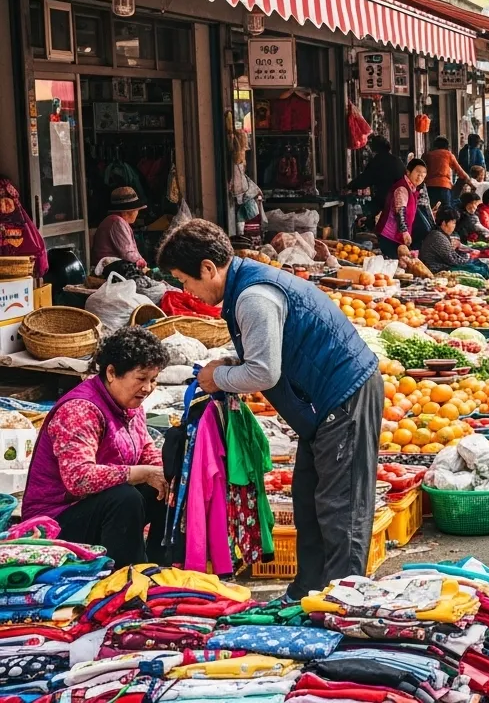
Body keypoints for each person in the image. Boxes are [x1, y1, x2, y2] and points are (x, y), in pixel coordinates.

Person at [158, 220, 380, 600]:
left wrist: (221, 377)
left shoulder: (253, 297)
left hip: (344, 397)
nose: (186, 290)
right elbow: (266, 355)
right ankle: (307, 593)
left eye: (185, 280)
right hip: (323, 404)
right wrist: (229, 363)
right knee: (310, 502)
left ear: (209, 268)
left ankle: (346, 603)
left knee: (341, 510)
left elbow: (263, 371)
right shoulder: (247, 288)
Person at [22, 327, 169, 567]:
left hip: (93, 504)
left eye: (153, 380)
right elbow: (78, 479)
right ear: (111, 373)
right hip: (55, 519)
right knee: (125, 498)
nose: (148, 388)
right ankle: (125, 577)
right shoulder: (80, 410)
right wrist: (140, 473)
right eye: (141, 378)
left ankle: (159, 566)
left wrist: (161, 473)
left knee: (163, 487)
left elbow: (144, 448)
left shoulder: (130, 405)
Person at [375, 158, 427, 259]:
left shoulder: (412, 188)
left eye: (423, 173)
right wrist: (404, 231)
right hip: (389, 235)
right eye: (417, 172)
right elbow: (400, 211)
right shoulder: (402, 188)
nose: (420, 176)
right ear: (408, 172)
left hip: (397, 236)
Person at [92, 186, 148, 268]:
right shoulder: (117, 222)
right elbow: (128, 253)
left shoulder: (115, 220)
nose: (137, 213)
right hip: (108, 270)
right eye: (136, 210)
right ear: (126, 212)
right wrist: (143, 265)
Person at [348, 135, 407, 211]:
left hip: (388, 200)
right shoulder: (396, 160)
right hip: (401, 199)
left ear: (376, 149)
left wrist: (349, 187)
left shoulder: (379, 160)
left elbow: (365, 178)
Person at [420, 208, 479, 273]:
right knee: (478, 269)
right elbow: (454, 260)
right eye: (453, 223)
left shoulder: (439, 234)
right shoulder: (438, 237)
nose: (454, 226)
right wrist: (469, 256)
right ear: (444, 223)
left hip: (444, 268)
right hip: (437, 271)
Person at [424, 136, 473, 211]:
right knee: (447, 211)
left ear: (435, 146)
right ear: (447, 146)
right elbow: (460, 172)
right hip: (444, 187)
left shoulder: (427, 155)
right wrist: (472, 184)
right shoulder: (448, 154)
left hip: (429, 187)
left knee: (432, 210)